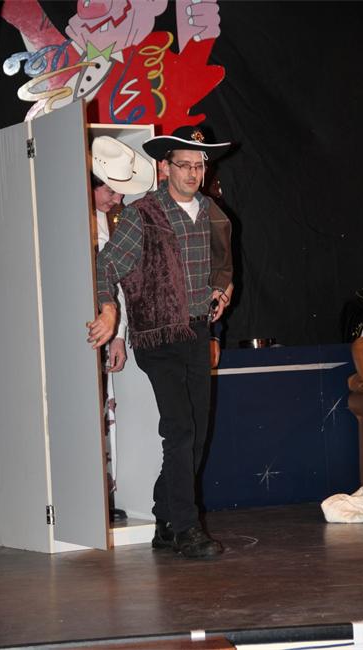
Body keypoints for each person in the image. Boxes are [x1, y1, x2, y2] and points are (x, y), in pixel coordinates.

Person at [87, 126, 234, 558]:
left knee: (197, 433)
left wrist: (222, 289)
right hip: (159, 335)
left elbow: (224, 265)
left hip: (197, 332)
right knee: (180, 428)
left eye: (199, 166)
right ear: (164, 167)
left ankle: (164, 518)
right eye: (184, 165)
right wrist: (109, 310)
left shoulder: (212, 212)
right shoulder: (142, 214)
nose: (192, 173)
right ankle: (187, 529)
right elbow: (106, 265)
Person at [90, 135, 155, 520]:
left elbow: (117, 285)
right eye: (109, 190)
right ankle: (88, 497)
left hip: (104, 326)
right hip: (76, 325)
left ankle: (103, 496)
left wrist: (118, 334)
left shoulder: (111, 224)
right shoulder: (67, 220)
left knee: (102, 411)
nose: (116, 199)